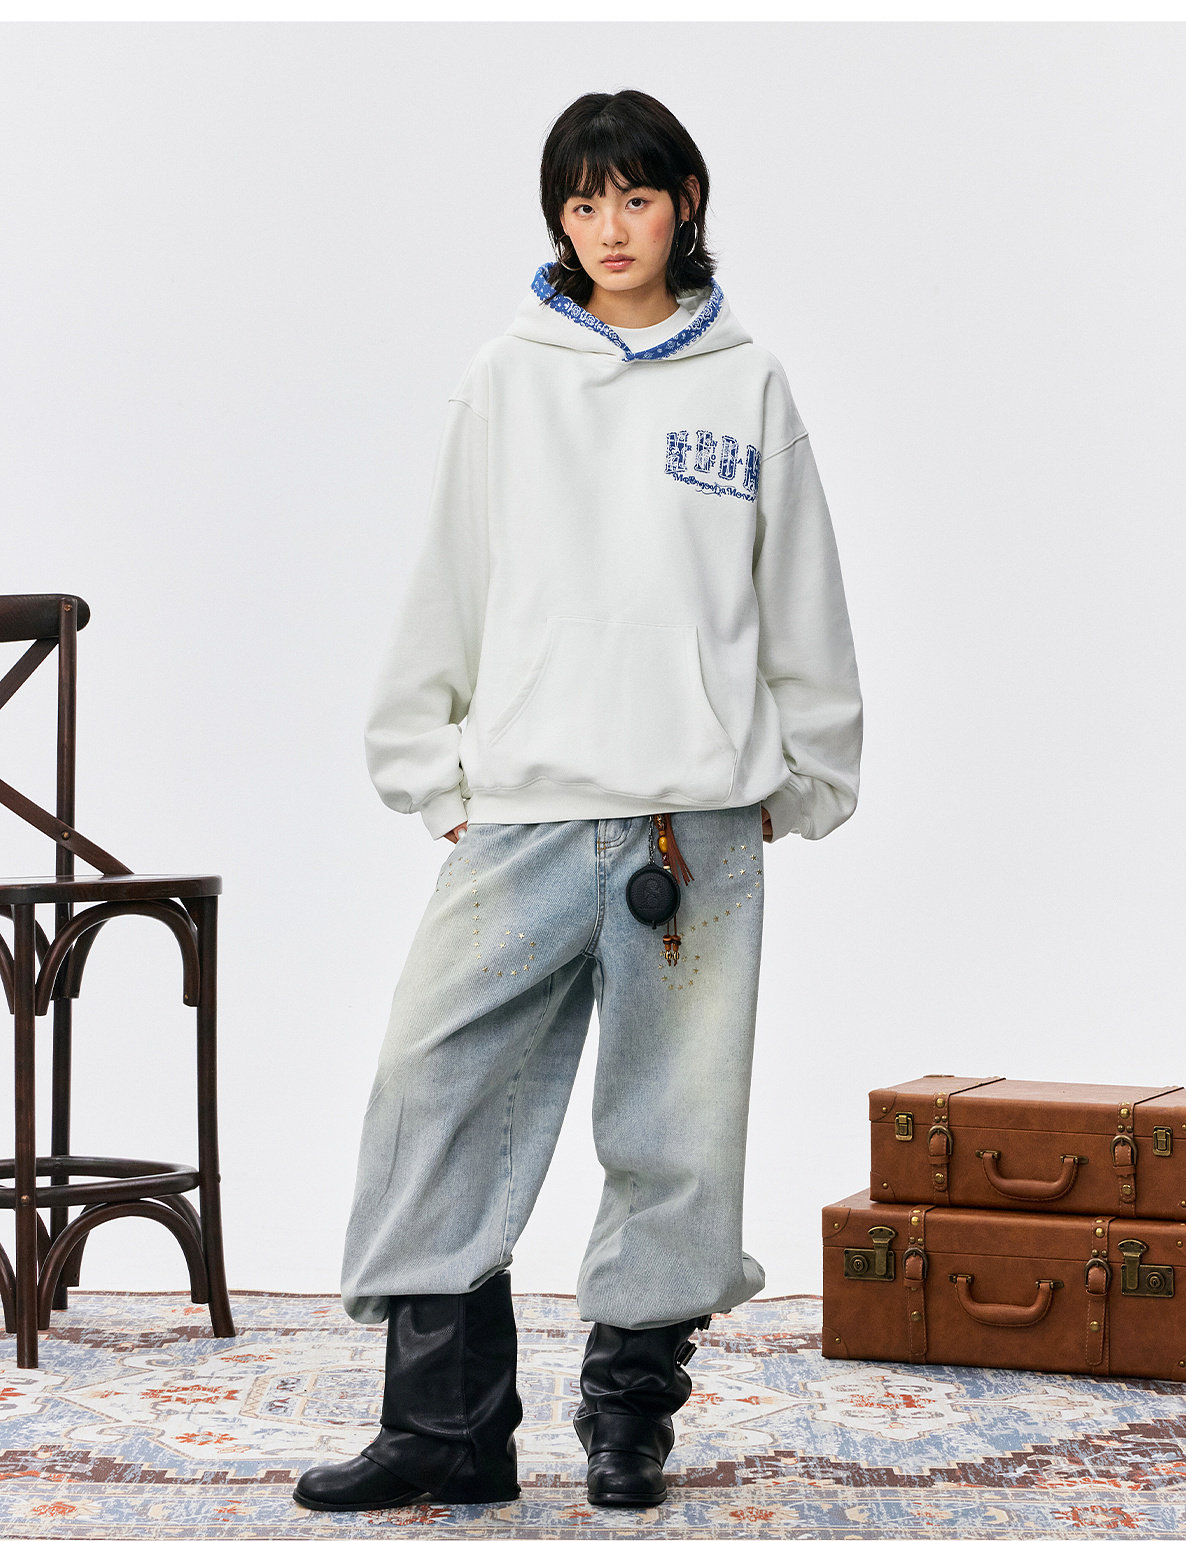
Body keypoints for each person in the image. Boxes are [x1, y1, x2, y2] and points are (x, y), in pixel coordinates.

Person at [293, 88, 863, 1515]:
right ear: (559, 217)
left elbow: (801, 594)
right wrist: (429, 766)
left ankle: (628, 1423)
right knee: (432, 1084)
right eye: (584, 201)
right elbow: (452, 571)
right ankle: (445, 1426)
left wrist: (805, 777)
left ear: (685, 204)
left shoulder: (747, 384)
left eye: (637, 197)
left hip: (693, 824)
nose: (612, 227)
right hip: (529, 809)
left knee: (677, 1125)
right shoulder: (508, 376)